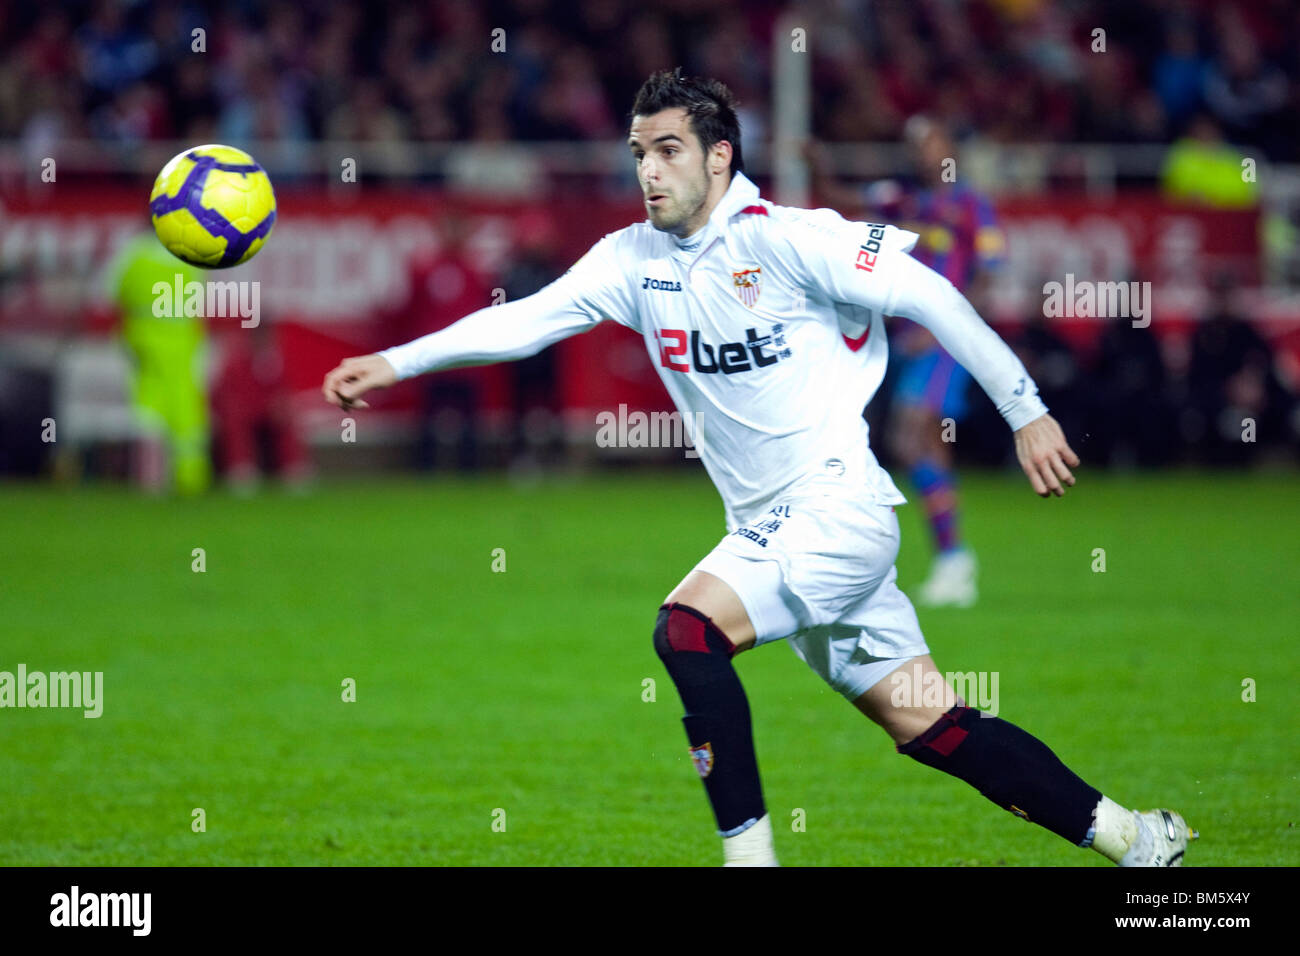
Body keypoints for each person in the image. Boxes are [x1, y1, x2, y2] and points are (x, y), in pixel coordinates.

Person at [322, 70, 1195, 868]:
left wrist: (1026, 409)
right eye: (638, 154)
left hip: (836, 509)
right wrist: (398, 362)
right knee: (931, 723)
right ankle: (1136, 839)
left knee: (687, 631)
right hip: (777, 529)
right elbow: (527, 321)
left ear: (719, 156)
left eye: (668, 151)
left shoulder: (793, 239)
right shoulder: (634, 261)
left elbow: (928, 290)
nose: (649, 173)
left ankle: (751, 862)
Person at [807, 116, 1006, 607]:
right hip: (903, 342)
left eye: (931, 142)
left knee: (916, 433)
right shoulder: (902, 200)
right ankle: (950, 559)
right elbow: (842, 203)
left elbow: (990, 271)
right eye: (914, 144)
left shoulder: (971, 206)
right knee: (911, 441)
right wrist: (817, 163)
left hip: (940, 343)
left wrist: (953, 323)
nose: (922, 153)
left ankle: (954, 559)